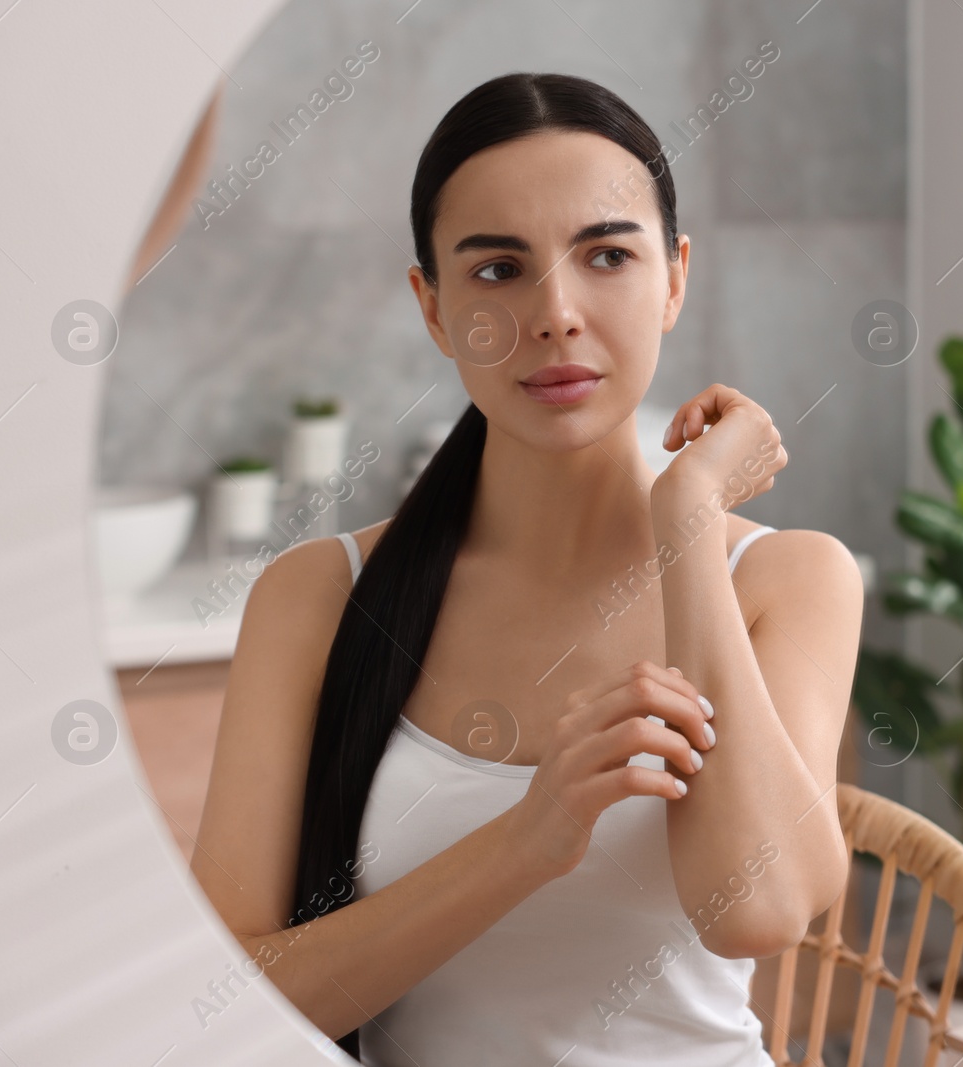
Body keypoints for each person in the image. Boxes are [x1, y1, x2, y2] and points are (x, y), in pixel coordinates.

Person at [190, 71, 865, 1066]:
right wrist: (522, 844)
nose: (555, 312)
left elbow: (757, 909)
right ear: (431, 306)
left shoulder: (790, 577)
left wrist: (686, 521)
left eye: (606, 255)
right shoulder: (316, 597)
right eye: (498, 270)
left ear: (674, 277)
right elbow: (226, 996)